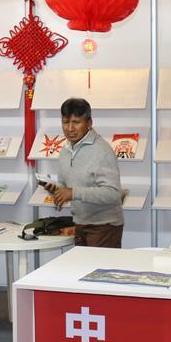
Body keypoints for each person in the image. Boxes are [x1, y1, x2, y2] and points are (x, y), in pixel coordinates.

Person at [44, 98, 124, 248]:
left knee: (99, 272)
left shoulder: (102, 151)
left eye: (76, 122)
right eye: (65, 122)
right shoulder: (66, 150)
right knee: (81, 272)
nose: (70, 128)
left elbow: (113, 194)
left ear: (89, 123)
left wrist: (73, 193)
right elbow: (65, 186)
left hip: (104, 227)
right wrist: (54, 190)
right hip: (80, 224)